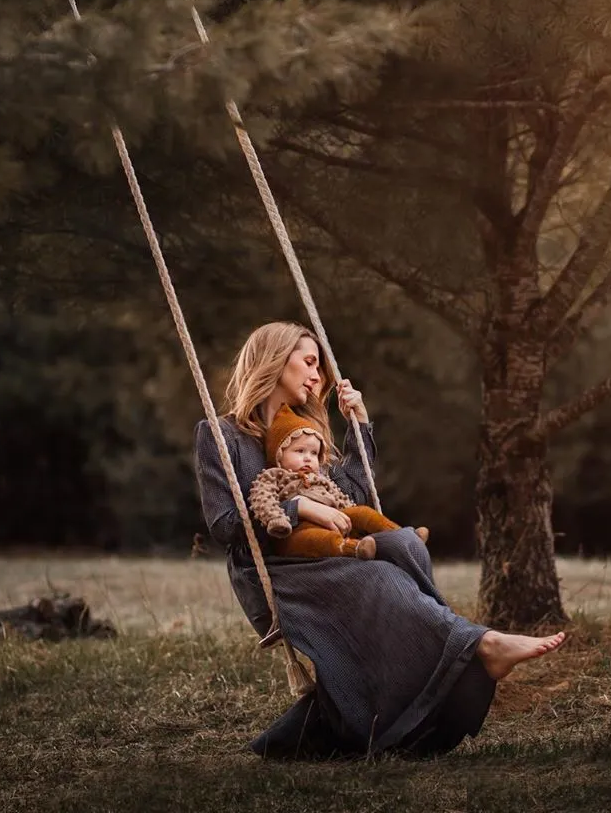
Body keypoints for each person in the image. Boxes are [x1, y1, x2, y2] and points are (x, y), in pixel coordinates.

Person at [193, 321, 566, 758]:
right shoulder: (222, 435)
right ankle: (478, 645)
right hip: (276, 572)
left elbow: (352, 499)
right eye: (310, 362)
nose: (318, 376)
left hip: (331, 556)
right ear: (275, 360)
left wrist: (359, 426)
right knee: (380, 582)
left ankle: (367, 709)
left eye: (321, 368)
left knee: (404, 544)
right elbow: (224, 526)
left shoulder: (305, 433)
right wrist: (300, 510)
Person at [249, 403, 429, 559]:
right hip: (297, 532)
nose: (307, 458)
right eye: (299, 451)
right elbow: (262, 500)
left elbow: (341, 499)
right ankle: (354, 548)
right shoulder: (274, 476)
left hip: (331, 520)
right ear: (278, 454)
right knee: (316, 539)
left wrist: (352, 515)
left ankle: (404, 537)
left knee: (364, 513)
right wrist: (276, 519)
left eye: (313, 453)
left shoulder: (320, 479)